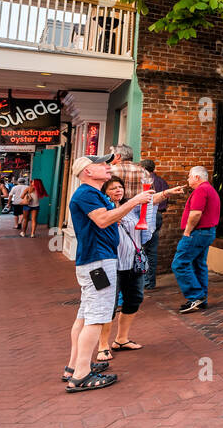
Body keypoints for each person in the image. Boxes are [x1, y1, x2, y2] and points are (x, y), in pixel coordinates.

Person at [64, 154, 171, 391]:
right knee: (98, 315)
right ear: (87, 172)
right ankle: (81, 375)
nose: (107, 166)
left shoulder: (94, 194)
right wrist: (134, 202)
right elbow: (102, 220)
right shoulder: (87, 194)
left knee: (85, 314)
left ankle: (74, 366)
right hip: (98, 262)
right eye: (101, 164)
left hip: (96, 260)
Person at [97, 175, 161, 360]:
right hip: (108, 264)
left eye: (120, 187)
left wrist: (164, 194)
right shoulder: (102, 211)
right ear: (104, 192)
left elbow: (148, 207)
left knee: (134, 299)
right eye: (112, 188)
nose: (118, 190)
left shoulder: (131, 208)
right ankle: (103, 345)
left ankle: (121, 339)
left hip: (132, 262)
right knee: (107, 305)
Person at [172, 165, 221, 314]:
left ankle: (195, 296)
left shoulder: (200, 190)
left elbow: (195, 214)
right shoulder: (210, 190)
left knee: (179, 264)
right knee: (198, 265)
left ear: (197, 178)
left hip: (197, 233)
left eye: (189, 176)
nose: (188, 179)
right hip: (207, 233)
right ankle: (201, 299)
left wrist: (187, 231)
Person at [139, 159, 170, 290]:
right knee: (152, 250)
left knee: (142, 249)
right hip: (159, 216)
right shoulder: (162, 182)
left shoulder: (144, 181)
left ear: (143, 168)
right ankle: (150, 281)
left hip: (147, 215)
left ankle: (145, 281)